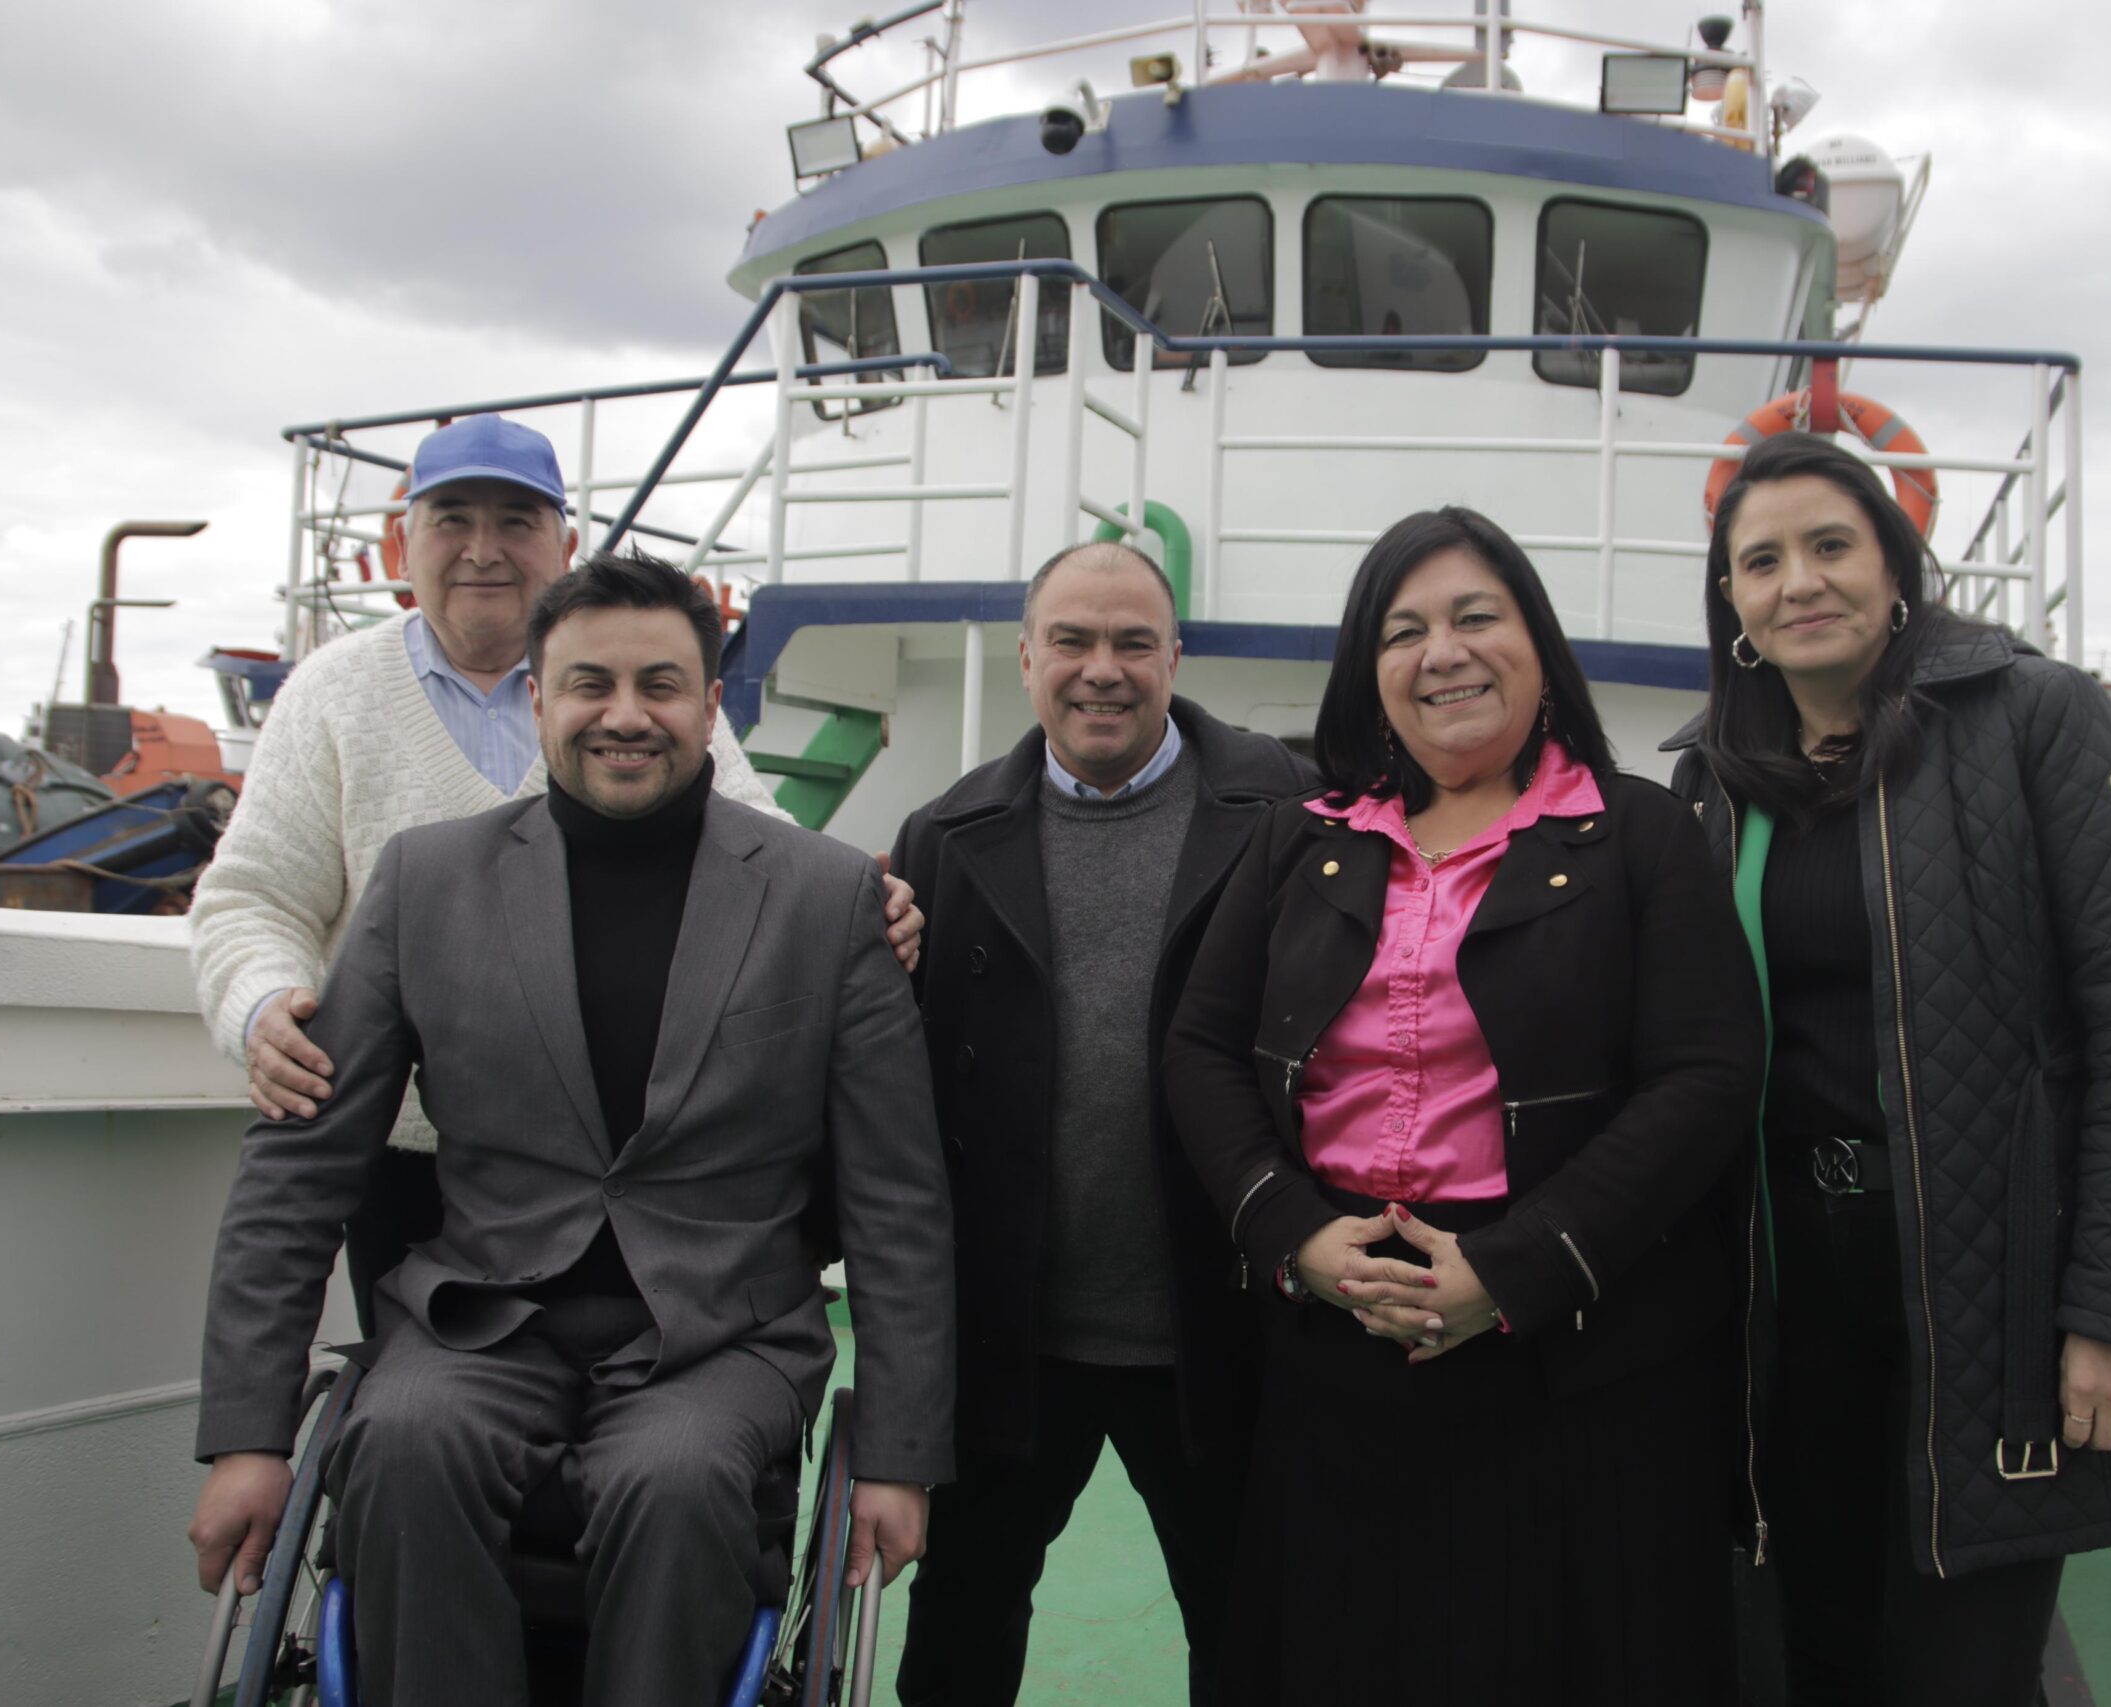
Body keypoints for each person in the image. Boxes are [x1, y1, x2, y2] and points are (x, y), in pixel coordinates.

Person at [185, 554, 955, 1707]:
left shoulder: (829, 897)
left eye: (661, 684)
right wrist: (248, 1439)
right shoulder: (424, 881)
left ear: (708, 705)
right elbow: (302, 1165)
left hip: (721, 1338)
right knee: (399, 1445)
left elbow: (898, 1197)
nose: (626, 715)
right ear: (538, 702)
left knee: (678, 1479)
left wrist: (896, 1456)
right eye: (590, 684)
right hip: (480, 1318)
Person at [1663, 431, 2111, 1706]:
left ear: (1893, 566)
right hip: (1786, 1289)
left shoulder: (2028, 715)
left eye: (1829, 546)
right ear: (1734, 604)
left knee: (1962, 1663)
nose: (1798, 581)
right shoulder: (1717, 778)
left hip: (1986, 1289)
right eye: (1761, 561)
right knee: (1812, 1642)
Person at [1162, 508, 1763, 1701]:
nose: (1442, 651)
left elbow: (1707, 1075)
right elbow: (1200, 1047)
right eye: (1404, 630)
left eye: (1475, 617)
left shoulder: (1634, 833)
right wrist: (1292, 1233)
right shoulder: (1305, 841)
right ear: (1367, 673)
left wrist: (1520, 1269)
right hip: (1333, 1336)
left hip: (1558, 1356)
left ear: (1536, 644)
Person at [189, 414, 920, 1312]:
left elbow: (758, 847)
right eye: (452, 519)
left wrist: (866, 903)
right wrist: (264, 1006)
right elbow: (253, 893)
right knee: (428, 1407)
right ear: (403, 541)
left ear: (564, 543)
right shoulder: (333, 695)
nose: (483, 550)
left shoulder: (634, 694)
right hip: (409, 1146)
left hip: (627, 1157)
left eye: (517, 522)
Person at [886, 540, 1317, 1707]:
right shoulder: (946, 835)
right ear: (1027, 659)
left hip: (1216, 1324)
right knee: (962, 1628)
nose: (1102, 671)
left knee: (1252, 1629)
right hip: (1013, 1335)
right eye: (1071, 641)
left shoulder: (1280, 811)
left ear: (1176, 656)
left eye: (1133, 642)